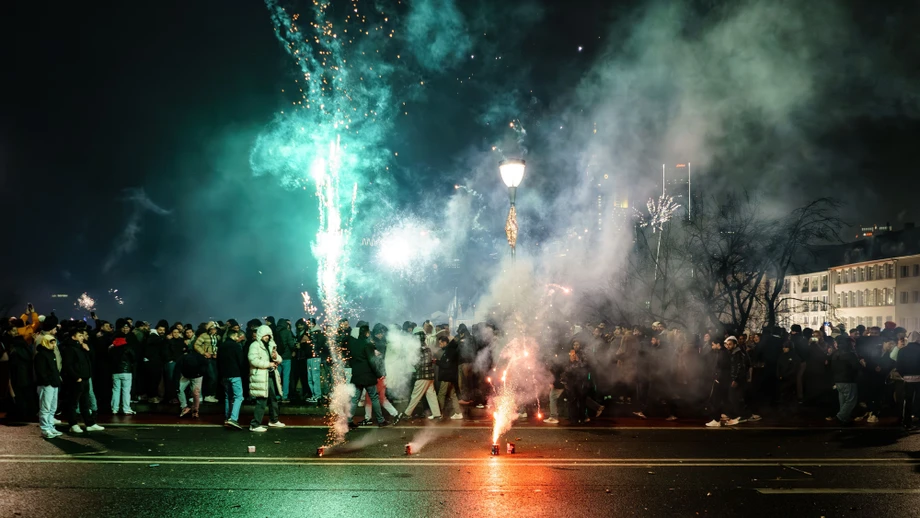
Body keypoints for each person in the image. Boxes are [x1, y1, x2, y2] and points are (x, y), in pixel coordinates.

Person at [60, 328, 104, 433]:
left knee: (85, 402)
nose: (82, 337)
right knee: (73, 402)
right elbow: (67, 365)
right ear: (73, 337)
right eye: (80, 335)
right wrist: (76, 377)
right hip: (77, 380)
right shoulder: (70, 348)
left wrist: (88, 350)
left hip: (85, 378)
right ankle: (73, 424)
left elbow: (90, 361)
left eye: (82, 335)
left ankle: (89, 423)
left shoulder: (81, 347)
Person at [347, 325, 386, 429]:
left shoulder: (354, 344)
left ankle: (349, 421)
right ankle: (381, 420)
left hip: (357, 375)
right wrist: (378, 373)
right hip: (368, 375)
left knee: (355, 399)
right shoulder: (367, 344)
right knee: (374, 397)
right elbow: (371, 361)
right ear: (367, 333)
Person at [248, 325, 285, 432]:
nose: (267, 337)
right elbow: (253, 360)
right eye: (265, 335)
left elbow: (279, 358)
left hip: (270, 375)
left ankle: (273, 420)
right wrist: (268, 364)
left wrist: (275, 357)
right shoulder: (254, 346)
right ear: (260, 335)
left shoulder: (271, 345)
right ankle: (254, 424)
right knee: (262, 400)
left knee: (273, 399)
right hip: (261, 375)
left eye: (269, 335)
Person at [398, 331, 441, 421]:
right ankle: (437, 414)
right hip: (429, 375)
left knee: (415, 395)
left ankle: (407, 413)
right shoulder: (427, 348)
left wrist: (414, 363)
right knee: (431, 395)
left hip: (423, 375)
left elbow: (422, 363)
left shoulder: (419, 349)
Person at [828, 333, 862, 424]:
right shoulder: (850, 354)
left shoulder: (836, 354)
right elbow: (857, 367)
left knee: (843, 400)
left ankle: (843, 418)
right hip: (848, 380)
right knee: (850, 400)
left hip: (838, 380)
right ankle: (840, 417)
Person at [34, 334, 62, 438]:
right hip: (46, 385)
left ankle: (50, 427)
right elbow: (41, 371)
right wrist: (47, 381)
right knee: (45, 408)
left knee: (52, 407)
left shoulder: (51, 354)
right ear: (46, 342)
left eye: (54, 342)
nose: (54, 344)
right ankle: (45, 429)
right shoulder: (41, 355)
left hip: (53, 384)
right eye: (51, 342)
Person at [218, 329, 247, 429]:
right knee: (238, 397)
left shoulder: (222, 346)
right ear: (234, 335)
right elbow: (241, 361)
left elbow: (218, 362)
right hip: (235, 374)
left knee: (228, 397)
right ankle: (233, 419)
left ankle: (227, 418)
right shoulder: (236, 346)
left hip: (224, 375)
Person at [109, 319, 137, 415]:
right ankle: (126, 408)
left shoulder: (112, 347)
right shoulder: (127, 346)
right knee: (126, 391)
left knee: (116, 390)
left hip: (115, 371)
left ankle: (114, 408)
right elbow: (133, 357)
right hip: (126, 371)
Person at [435, 335, 463, 420]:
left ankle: (439, 413)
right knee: (453, 394)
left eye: (440, 343)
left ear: (445, 342)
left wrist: (436, 362)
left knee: (441, 394)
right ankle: (458, 413)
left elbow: (447, 365)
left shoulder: (449, 351)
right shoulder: (452, 350)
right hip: (453, 376)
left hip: (447, 376)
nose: (439, 345)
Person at [896, 331, 920, 430]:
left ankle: (907, 421)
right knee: (918, 400)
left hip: (906, 379)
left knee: (907, 400)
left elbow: (899, 366)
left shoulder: (902, 351)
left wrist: (904, 376)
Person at [193, 321, 220, 403]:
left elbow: (218, 346)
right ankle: (208, 395)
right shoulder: (204, 336)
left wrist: (217, 353)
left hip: (215, 358)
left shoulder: (218, 337)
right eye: (212, 329)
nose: (214, 330)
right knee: (212, 377)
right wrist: (204, 353)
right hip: (207, 358)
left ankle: (211, 395)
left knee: (215, 376)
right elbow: (196, 345)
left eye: (215, 329)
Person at [178, 343, 207, 418]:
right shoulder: (199, 357)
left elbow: (177, 369)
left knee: (180, 389)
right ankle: (194, 410)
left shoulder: (183, 357)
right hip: (196, 375)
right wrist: (200, 373)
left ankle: (186, 408)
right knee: (196, 393)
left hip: (190, 375)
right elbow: (205, 365)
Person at [562, 348, 590, 424]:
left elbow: (585, 370)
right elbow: (566, 372)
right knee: (572, 402)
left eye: (574, 354)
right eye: (571, 354)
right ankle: (573, 418)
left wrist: (578, 362)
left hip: (580, 384)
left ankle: (582, 418)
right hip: (571, 385)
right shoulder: (568, 363)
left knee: (581, 402)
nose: (573, 356)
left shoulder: (581, 363)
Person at [275, 318, 296, 403]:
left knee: (278, 377)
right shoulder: (287, 332)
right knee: (286, 377)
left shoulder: (275, 332)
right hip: (286, 357)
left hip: (277, 358)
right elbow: (291, 344)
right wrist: (294, 350)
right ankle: (284, 395)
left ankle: (277, 395)